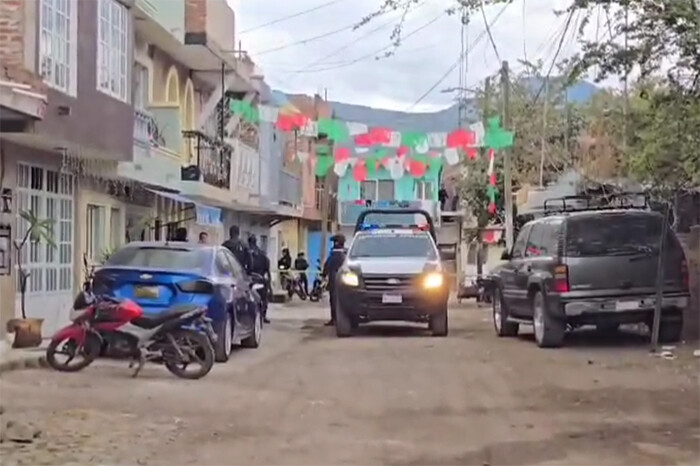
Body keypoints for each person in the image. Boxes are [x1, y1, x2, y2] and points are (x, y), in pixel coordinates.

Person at [322, 234, 347, 326]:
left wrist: (323, 275)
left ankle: (334, 319)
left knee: (334, 301)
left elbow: (327, 266)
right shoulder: (346, 254)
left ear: (336, 242)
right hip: (346, 283)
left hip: (334, 282)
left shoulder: (334, 254)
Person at [248, 235, 271, 323]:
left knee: (257, 299)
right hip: (258, 280)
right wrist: (269, 286)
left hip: (253, 280)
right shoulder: (260, 253)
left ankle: (259, 316)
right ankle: (261, 316)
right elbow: (268, 271)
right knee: (262, 299)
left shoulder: (248, 253)